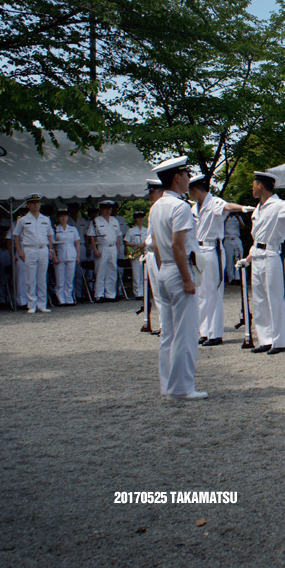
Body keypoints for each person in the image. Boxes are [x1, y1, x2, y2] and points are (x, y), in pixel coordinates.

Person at [149, 156, 206, 400]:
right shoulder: (180, 207)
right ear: (176, 177)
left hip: (164, 270)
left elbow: (156, 246)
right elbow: (178, 245)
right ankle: (182, 388)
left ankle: (168, 385)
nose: (188, 179)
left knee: (168, 335)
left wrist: (165, 270)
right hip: (178, 270)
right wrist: (186, 279)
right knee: (185, 333)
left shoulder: (157, 206)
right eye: (185, 175)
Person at [243, 171, 285, 355]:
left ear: (261, 185)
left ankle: (278, 341)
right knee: (260, 299)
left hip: (272, 254)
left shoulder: (278, 205)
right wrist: (247, 259)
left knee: (275, 298)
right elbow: (256, 238)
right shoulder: (258, 208)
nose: (252, 188)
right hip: (257, 255)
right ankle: (265, 339)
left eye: (254, 184)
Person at [189, 174, 250, 346]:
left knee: (214, 292)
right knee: (200, 292)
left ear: (196, 190)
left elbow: (228, 206)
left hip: (212, 249)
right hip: (197, 250)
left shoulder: (214, 202)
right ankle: (203, 330)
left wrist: (242, 208)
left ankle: (215, 333)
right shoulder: (194, 207)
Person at [13, 193, 57, 313]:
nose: (35, 205)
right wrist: (19, 251)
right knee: (30, 278)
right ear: (28, 205)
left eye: (37, 202)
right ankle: (31, 304)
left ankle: (42, 304)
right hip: (30, 249)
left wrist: (51, 250)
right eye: (33, 203)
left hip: (43, 248)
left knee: (42, 277)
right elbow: (16, 236)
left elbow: (50, 236)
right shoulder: (23, 220)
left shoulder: (45, 219)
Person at [87, 200, 122, 302]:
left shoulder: (114, 220)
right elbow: (92, 237)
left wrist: (118, 248)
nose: (107, 211)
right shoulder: (96, 221)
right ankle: (99, 295)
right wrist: (95, 249)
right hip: (102, 247)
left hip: (113, 247)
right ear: (101, 210)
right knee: (100, 271)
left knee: (112, 271)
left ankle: (110, 294)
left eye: (109, 209)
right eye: (105, 209)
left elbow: (118, 235)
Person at [143, 179, 166, 321]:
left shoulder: (161, 208)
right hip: (151, 253)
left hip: (159, 253)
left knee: (162, 291)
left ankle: (166, 324)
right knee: (156, 292)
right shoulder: (154, 208)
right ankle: (163, 323)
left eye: (152, 192)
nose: (150, 195)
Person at [52, 207, 81, 306]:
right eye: (61, 216)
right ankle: (61, 299)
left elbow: (77, 243)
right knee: (60, 280)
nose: (63, 218)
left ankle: (69, 298)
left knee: (69, 279)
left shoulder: (72, 229)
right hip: (60, 256)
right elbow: (51, 244)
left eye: (65, 216)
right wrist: (54, 256)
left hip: (71, 255)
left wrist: (77, 256)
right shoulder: (55, 229)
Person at [124, 211, 149, 298]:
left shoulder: (147, 230)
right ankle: (138, 293)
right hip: (136, 253)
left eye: (141, 217)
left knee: (144, 274)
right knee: (136, 274)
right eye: (138, 217)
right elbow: (126, 242)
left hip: (145, 253)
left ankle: (144, 292)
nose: (140, 219)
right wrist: (136, 244)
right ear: (135, 219)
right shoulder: (131, 231)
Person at [223, 212, 243, 284]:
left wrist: (238, 218)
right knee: (229, 259)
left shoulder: (238, 217)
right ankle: (231, 278)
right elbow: (222, 227)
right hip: (228, 239)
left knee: (239, 258)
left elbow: (242, 226)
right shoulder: (225, 217)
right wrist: (226, 218)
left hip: (236, 238)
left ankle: (238, 277)